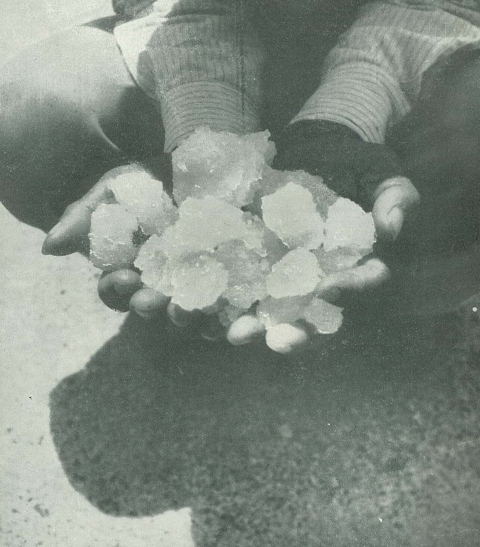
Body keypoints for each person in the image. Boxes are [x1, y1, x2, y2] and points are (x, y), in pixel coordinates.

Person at [1, 0, 478, 352]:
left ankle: (394, 302)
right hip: (201, 50)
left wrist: (339, 122)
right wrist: (206, 138)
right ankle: (216, 308)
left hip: (412, 48)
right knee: (28, 111)